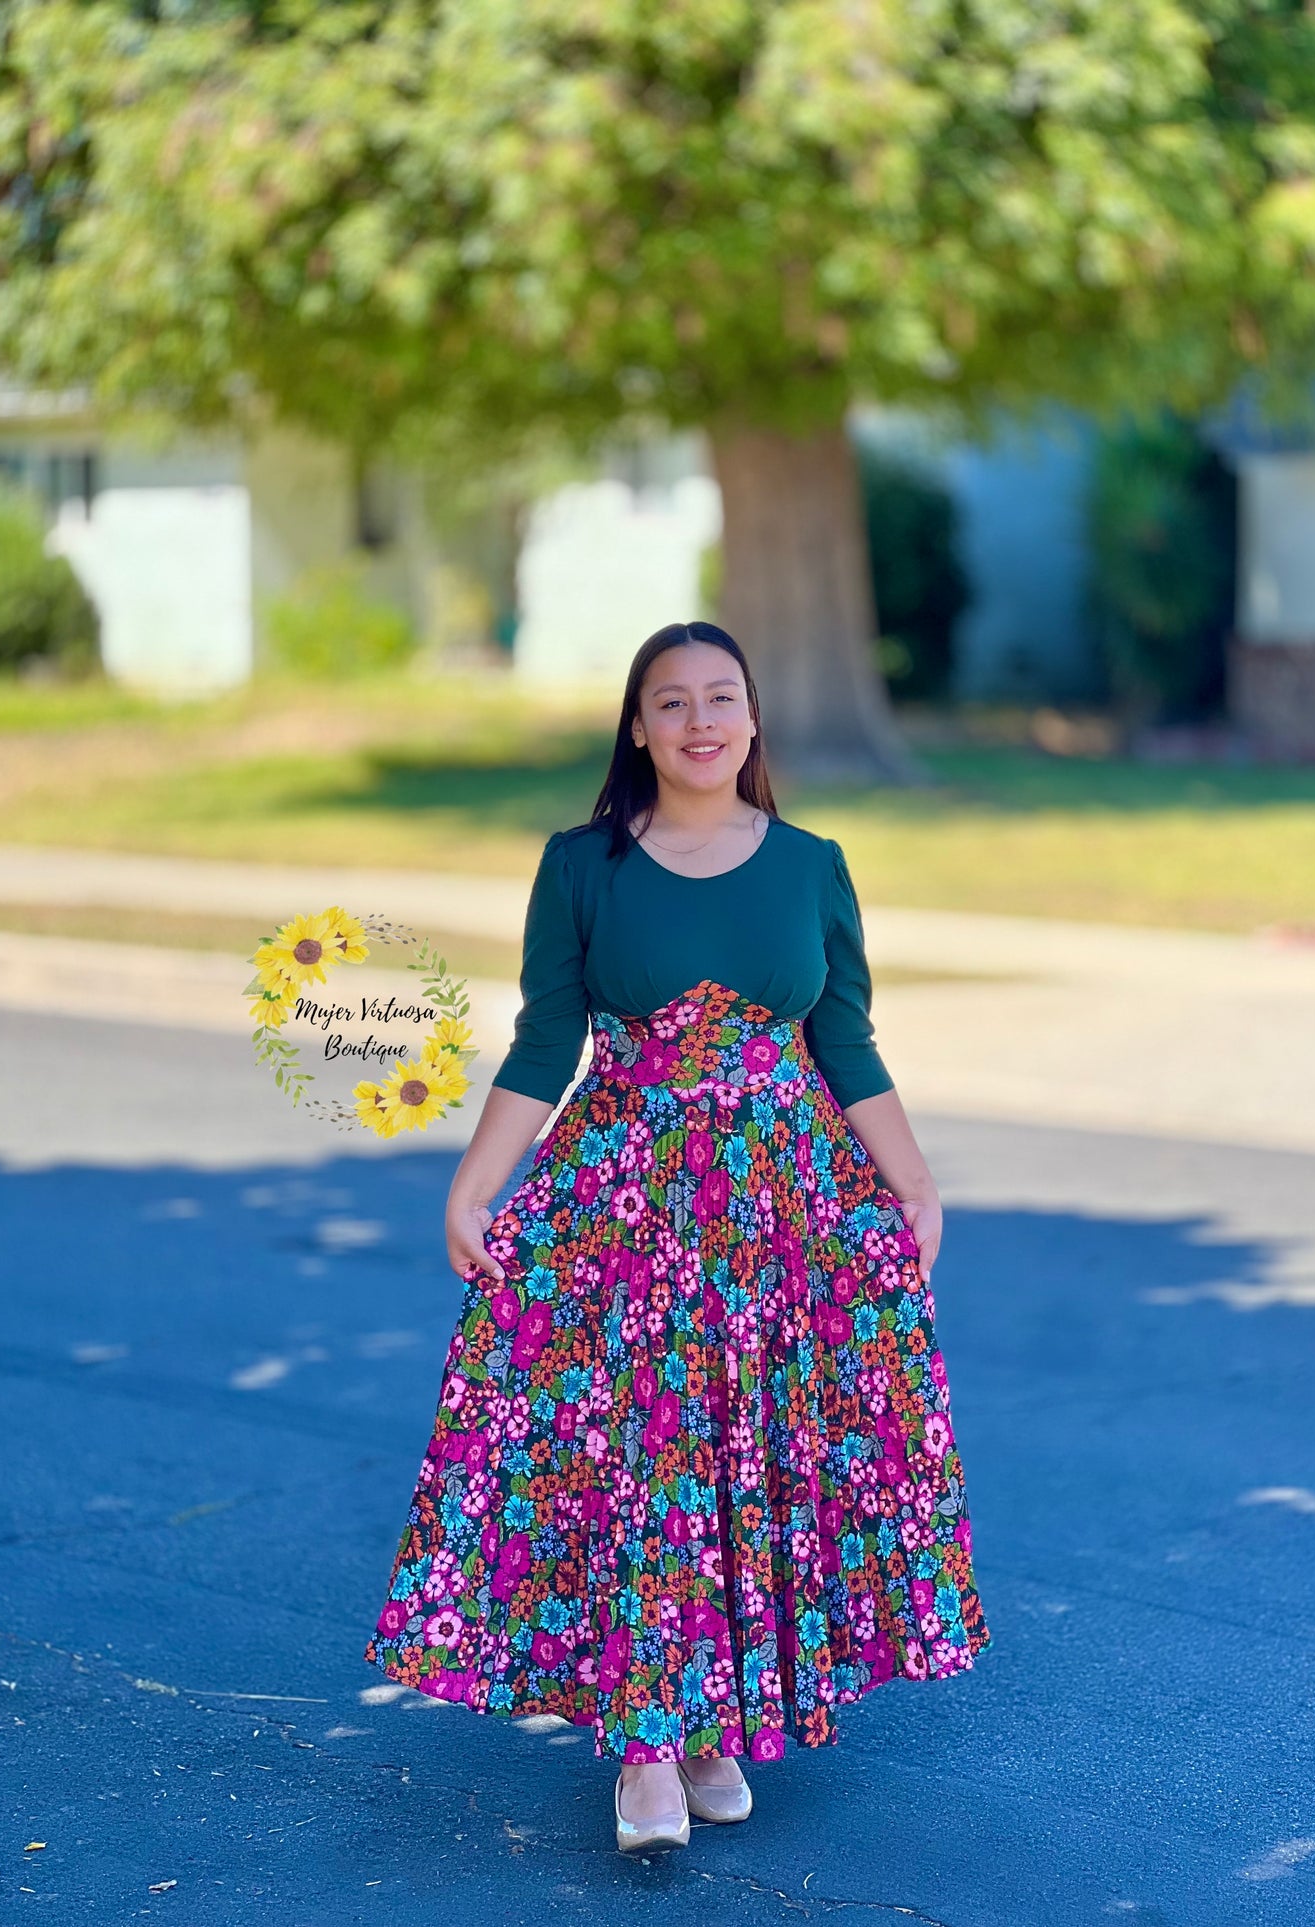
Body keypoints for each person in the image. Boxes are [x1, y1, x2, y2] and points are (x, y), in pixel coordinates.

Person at [366, 620, 990, 1854]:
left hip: (784, 1210)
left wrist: (913, 1183)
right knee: (650, 1455)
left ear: (752, 721)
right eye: (671, 702)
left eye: (721, 698)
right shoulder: (581, 864)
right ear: (637, 726)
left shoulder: (812, 864)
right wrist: (472, 1184)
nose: (699, 720)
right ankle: (647, 1750)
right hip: (625, 1207)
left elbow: (844, 1039)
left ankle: (707, 1723)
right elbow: (547, 1040)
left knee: (735, 1454)